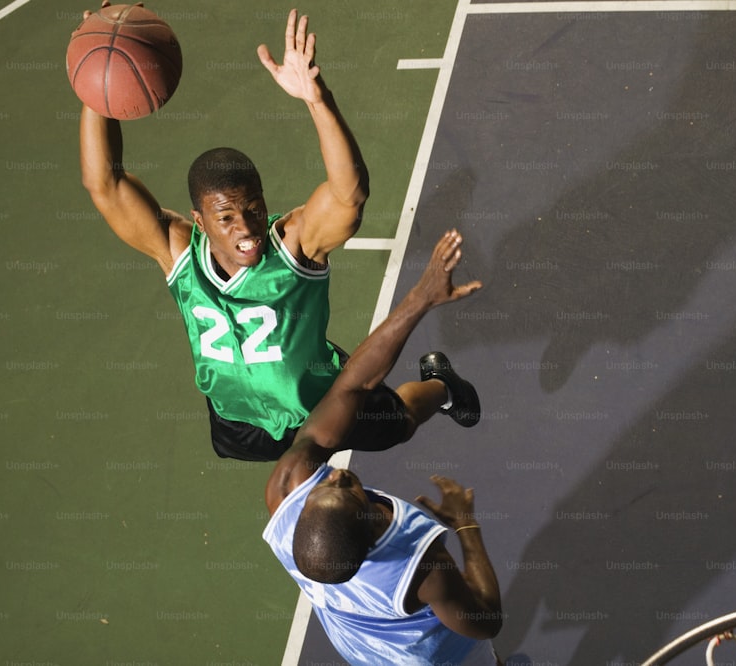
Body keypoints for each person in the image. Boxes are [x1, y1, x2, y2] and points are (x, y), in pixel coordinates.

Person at [78, 5, 478, 461]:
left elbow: (349, 195)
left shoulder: (295, 246)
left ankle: (442, 386)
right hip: (239, 421)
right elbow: (104, 185)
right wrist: (97, 90)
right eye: (226, 217)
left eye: (253, 209)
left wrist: (316, 98)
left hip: (322, 407)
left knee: (401, 423)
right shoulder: (178, 253)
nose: (247, 228)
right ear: (199, 219)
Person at [263, 230, 504, 666]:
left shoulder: (287, 492)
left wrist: (420, 298)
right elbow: (485, 619)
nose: (334, 473)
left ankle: (444, 389)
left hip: (363, 654)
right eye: (344, 486)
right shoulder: (418, 566)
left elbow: (352, 385)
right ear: (373, 528)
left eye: (323, 489)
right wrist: (466, 526)